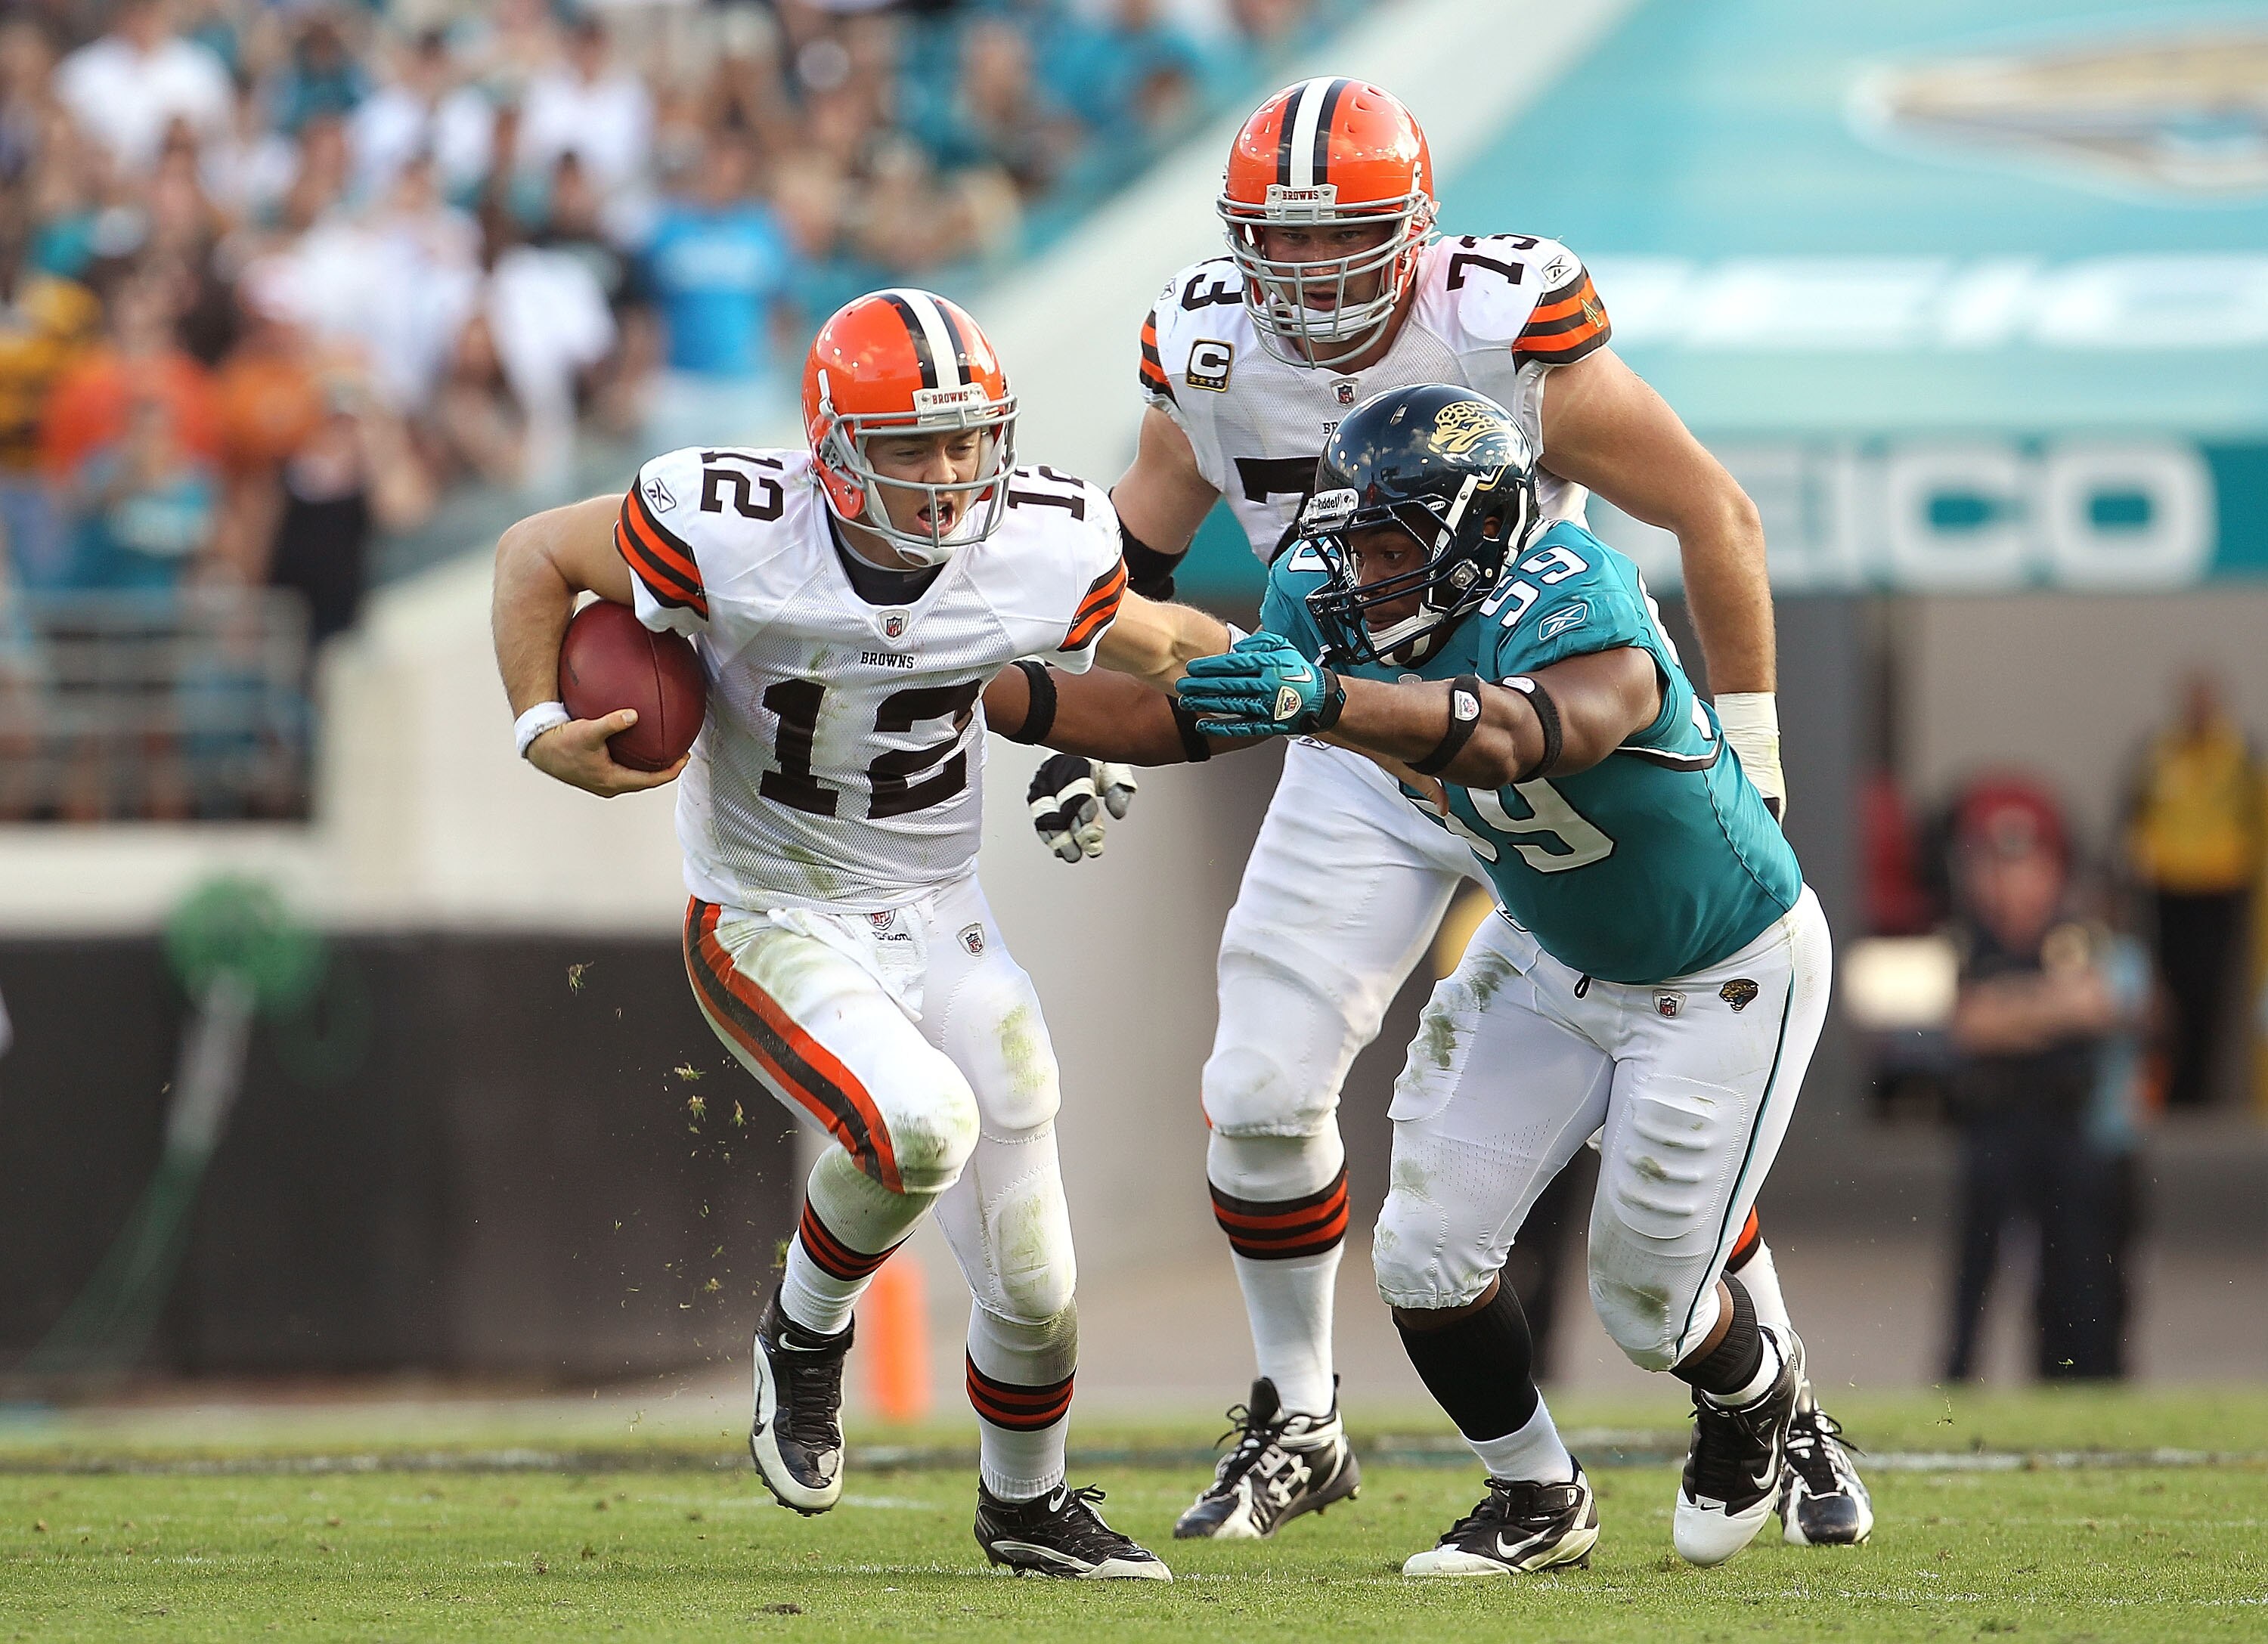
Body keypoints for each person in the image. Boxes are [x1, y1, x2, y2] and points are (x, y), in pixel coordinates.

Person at [1033, 77, 1869, 1548]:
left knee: (1660, 1099)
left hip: (1529, 728)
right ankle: (1300, 1409)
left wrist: (1754, 750)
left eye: (1340, 238)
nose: (1305, 275)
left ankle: (1773, 1399)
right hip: (1352, 748)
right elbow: (1134, 558)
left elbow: (1712, 512)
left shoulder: (1500, 317)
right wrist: (1043, 705)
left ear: (1416, 229)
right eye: (1275, 244)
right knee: (1262, 1083)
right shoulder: (1215, 351)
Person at [491, 288, 1235, 1581]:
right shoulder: (729, 528)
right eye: (909, 446)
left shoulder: (1040, 542)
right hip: (771, 912)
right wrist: (534, 726)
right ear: (833, 447)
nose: (946, 476)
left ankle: (1028, 1507)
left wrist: (1331, 698)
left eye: (964, 442)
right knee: (922, 1128)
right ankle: (806, 1328)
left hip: (942, 914)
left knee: (1036, 1270)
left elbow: (1160, 644)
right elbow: (534, 557)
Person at [1944, 779, 2141, 1381]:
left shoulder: (2076, 935)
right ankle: (1957, 1378)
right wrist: (2046, 1008)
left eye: (2024, 866)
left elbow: (2097, 1005)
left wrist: (2013, 1009)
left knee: (2079, 1263)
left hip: (2064, 1122)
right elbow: (1970, 1024)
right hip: (1996, 1121)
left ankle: (2084, 1376)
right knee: (1976, 1265)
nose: (2009, 882)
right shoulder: (1975, 940)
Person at [2124, 670, 2263, 1110]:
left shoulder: (2239, 753)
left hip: (2222, 889)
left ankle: (2202, 1093)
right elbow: (2134, 809)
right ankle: (2171, 1090)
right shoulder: (2159, 750)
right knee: (2169, 991)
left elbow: (2255, 815)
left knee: (2213, 993)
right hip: (2169, 889)